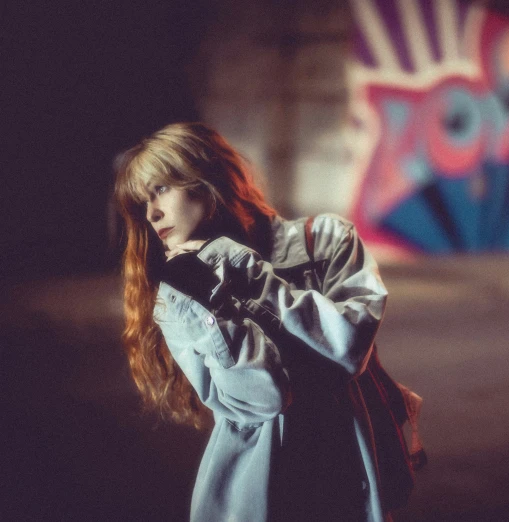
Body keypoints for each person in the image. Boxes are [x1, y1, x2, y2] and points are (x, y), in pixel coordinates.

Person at [114, 122, 403, 521]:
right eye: (142, 204)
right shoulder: (177, 297)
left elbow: (349, 348)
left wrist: (248, 273)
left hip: (345, 480)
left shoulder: (327, 240)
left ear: (206, 179)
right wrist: (214, 305)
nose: (152, 213)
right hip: (257, 493)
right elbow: (260, 400)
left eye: (160, 189)